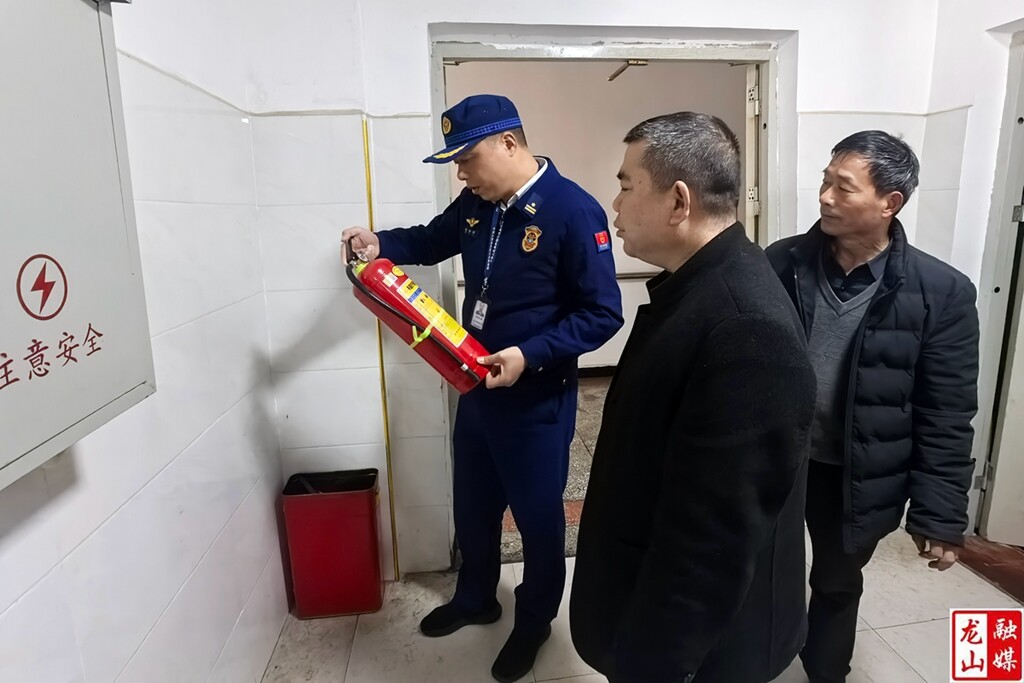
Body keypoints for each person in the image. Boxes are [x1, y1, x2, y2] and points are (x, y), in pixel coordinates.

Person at [342, 94, 622, 683]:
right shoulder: (477, 205)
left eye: (467, 159)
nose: (461, 174)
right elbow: (427, 241)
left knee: (538, 520)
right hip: (475, 385)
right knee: (473, 505)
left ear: (509, 143)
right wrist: (379, 242)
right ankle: (476, 598)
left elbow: (602, 314)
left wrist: (529, 354)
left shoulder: (573, 210)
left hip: (536, 397)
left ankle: (534, 622)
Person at [569, 112, 816, 683]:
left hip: (703, 653)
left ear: (679, 201)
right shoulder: (702, 286)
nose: (615, 205)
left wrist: (655, 667)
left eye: (627, 187)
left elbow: (712, 541)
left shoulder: (743, 323)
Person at [765, 130, 980, 682]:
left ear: (890, 202)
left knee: (836, 582)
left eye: (843, 187)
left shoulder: (942, 293)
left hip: (856, 472)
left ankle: (826, 672)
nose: (825, 197)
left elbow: (946, 412)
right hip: (776, 459)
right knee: (753, 571)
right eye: (825, 181)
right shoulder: (781, 262)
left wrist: (939, 514)